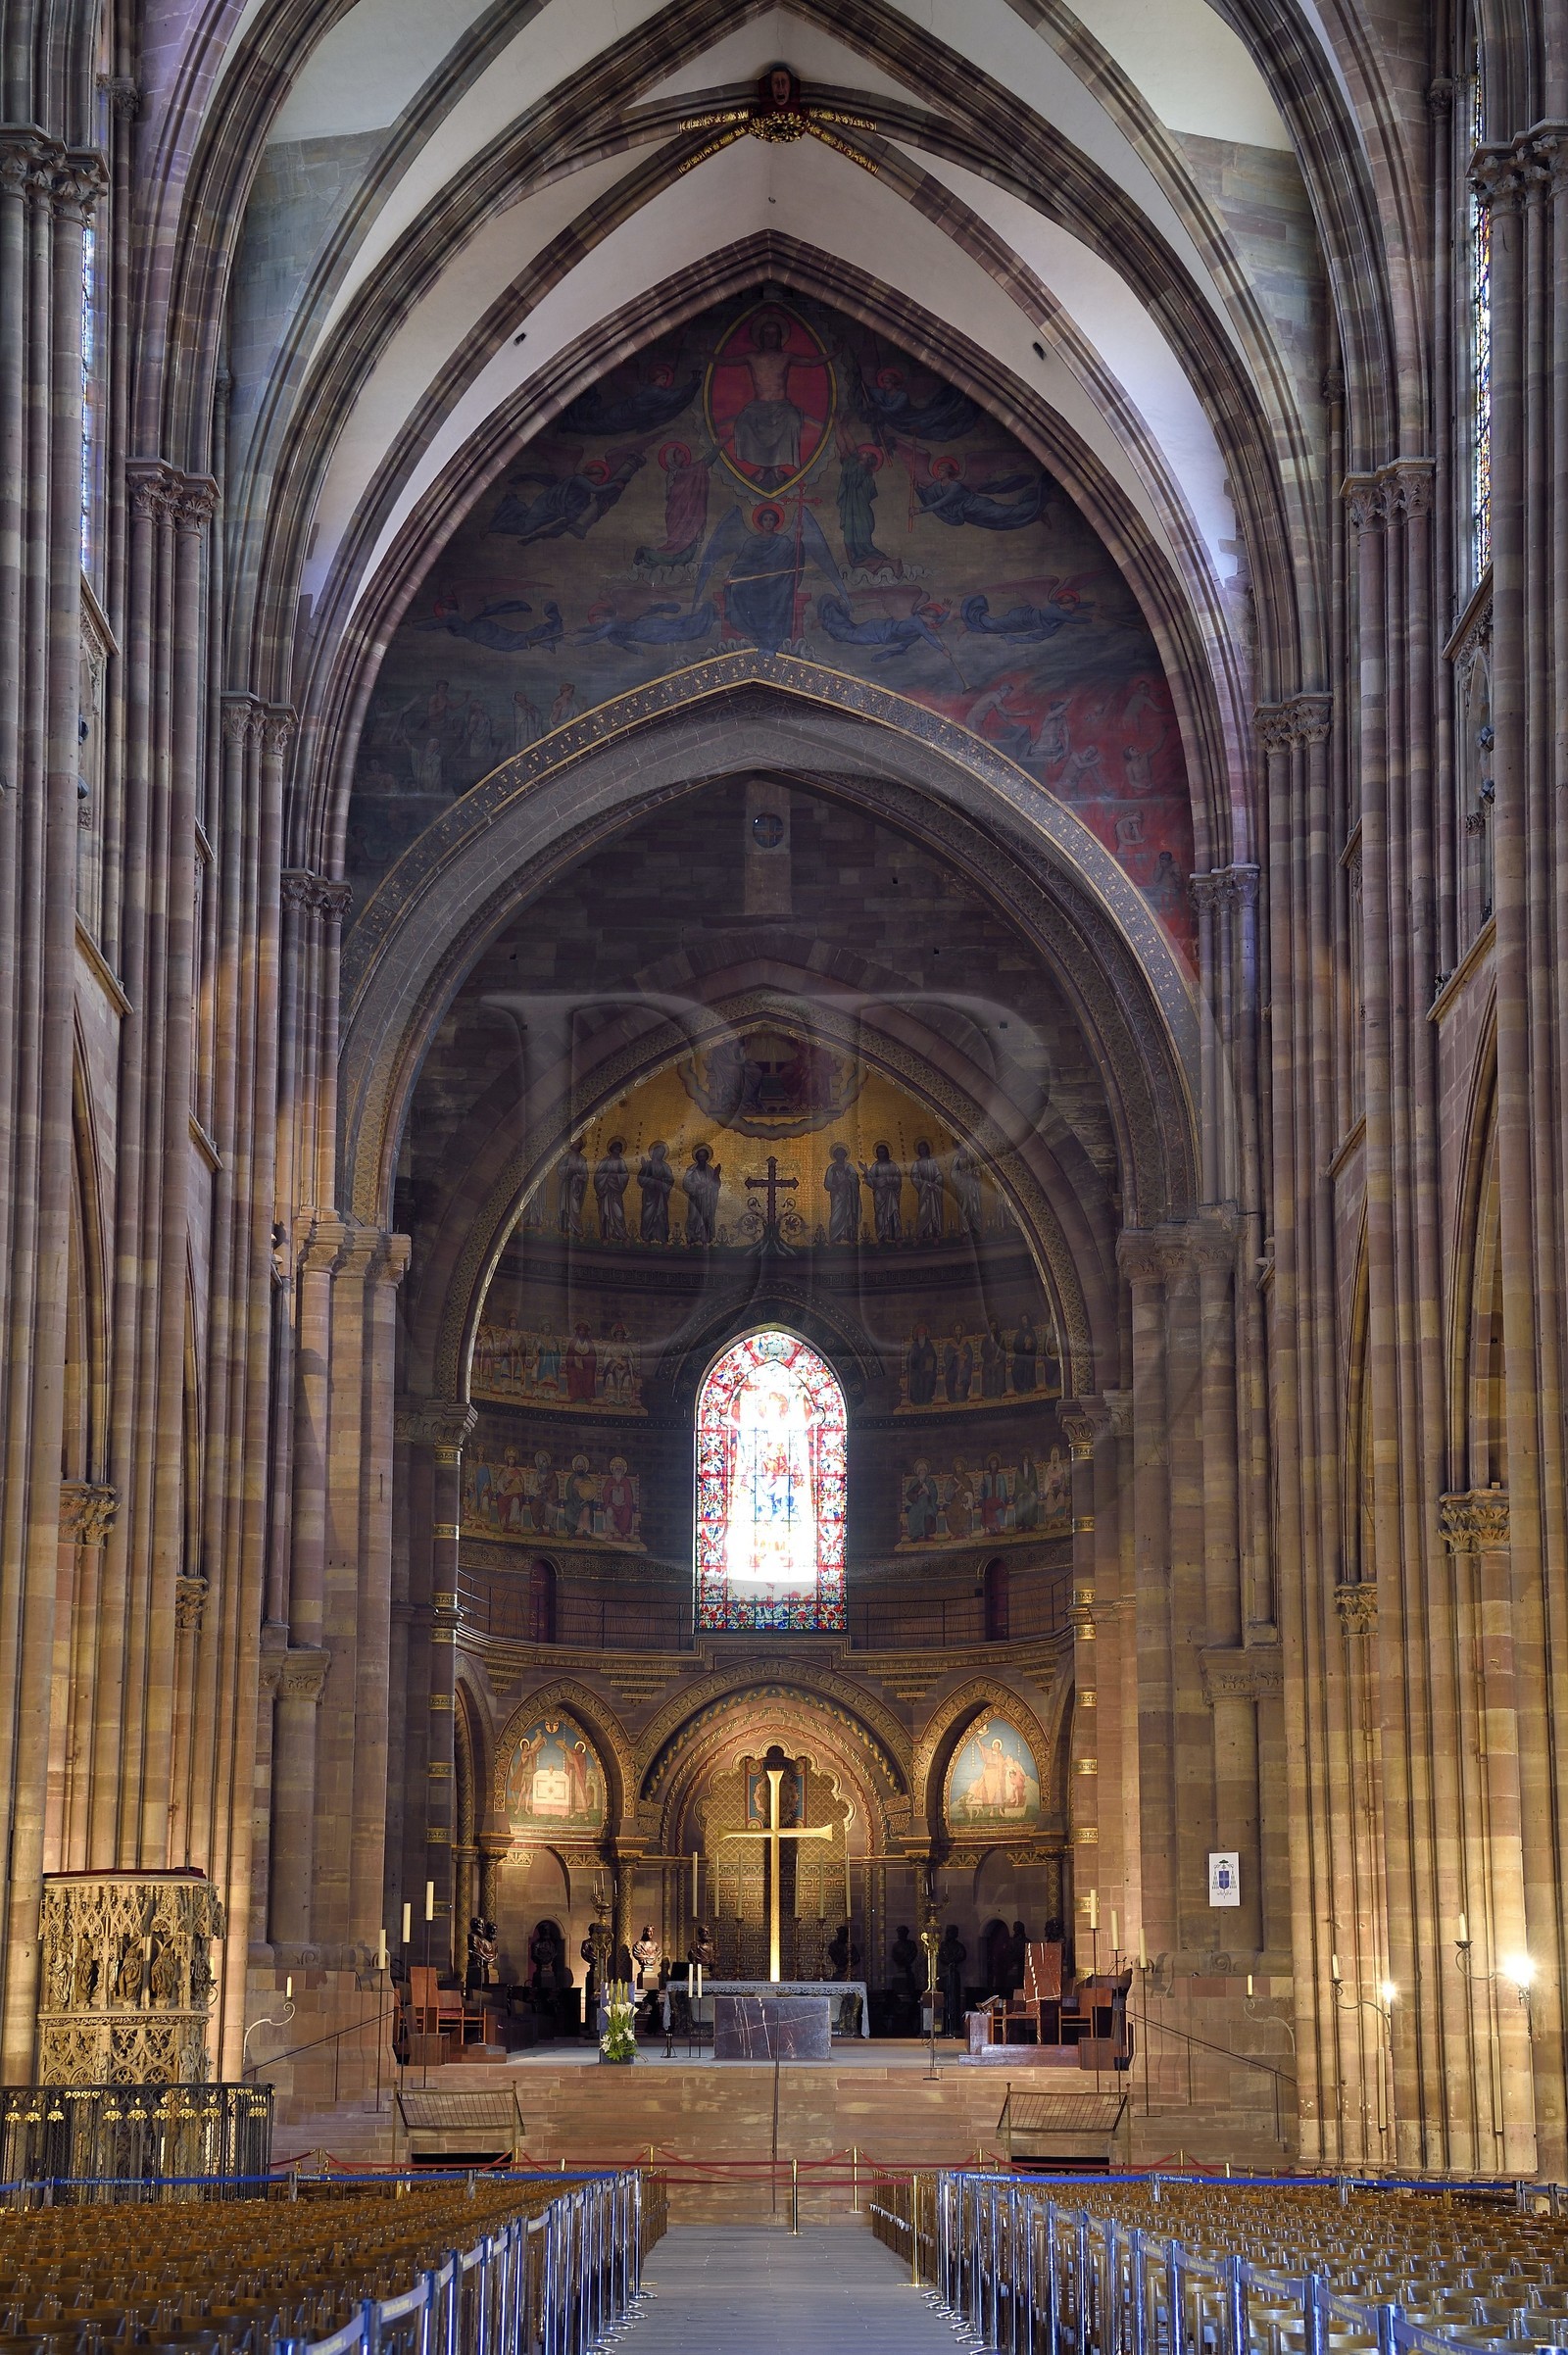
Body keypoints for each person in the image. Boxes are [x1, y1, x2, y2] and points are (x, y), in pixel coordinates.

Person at [859, 1141, 904, 1243]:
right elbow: (871, 1181)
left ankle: (896, 1237)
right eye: (879, 1152)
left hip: (890, 1193)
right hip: (879, 1195)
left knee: (894, 1213)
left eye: (883, 1152)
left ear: (887, 1152)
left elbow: (898, 1179)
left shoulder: (892, 1165)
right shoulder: (876, 1166)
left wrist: (888, 1180)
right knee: (880, 1214)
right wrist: (866, 1171)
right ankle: (881, 1238)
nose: (881, 1154)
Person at [682, 1144, 721, 1245]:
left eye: (704, 1156)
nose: (702, 1158)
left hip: (706, 1199)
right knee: (693, 1217)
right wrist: (696, 1187)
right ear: (697, 1157)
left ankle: (704, 1241)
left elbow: (716, 1186)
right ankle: (690, 1240)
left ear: (707, 1157)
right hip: (694, 1199)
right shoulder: (692, 1170)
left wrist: (716, 1176)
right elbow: (686, 1183)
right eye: (700, 1156)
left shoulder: (710, 1170)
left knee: (705, 1218)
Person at [822, 1142, 861, 1243]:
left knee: (848, 1217)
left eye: (842, 1154)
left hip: (848, 1196)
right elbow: (827, 1183)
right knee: (836, 1216)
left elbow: (855, 1178)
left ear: (845, 1155)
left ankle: (850, 1239)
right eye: (838, 1154)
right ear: (835, 1156)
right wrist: (836, 1185)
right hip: (837, 1196)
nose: (840, 1156)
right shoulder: (832, 1168)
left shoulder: (849, 1167)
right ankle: (834, 1238)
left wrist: (849, 1180)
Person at [594, 1139, 630, 1241]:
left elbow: (625, 1175)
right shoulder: (605, 1161)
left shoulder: (621, 1162)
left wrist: (616, 1177)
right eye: (615, 1149)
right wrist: (606, 1177)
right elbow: (598, 1175)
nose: (617, 1151)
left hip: (616, 1191)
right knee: (605, 1213)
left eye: (619, 1149)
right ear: (612, 1149)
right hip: (605, 1191)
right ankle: (605, 1236)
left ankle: (620, 1235)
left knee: (618, 1214)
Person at [637, 1141, 673, 1242]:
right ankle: (647, 1238)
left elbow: (670, 1180)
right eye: (657, 1152)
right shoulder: (647, 1165)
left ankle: (663, 1238)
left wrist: (660, 1182)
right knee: (647, 1216)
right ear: (653, 1153)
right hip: (649, 1196)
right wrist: (645, 1169)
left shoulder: (665, 1166)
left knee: (661, 1215)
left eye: (661, 1153)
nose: (659, 1154)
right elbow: (641, 1180)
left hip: (661, 1195)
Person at [910, 1139, 946, 1241]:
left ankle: (935, 1233)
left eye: (924, 1149)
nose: (923, 1151)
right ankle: (924, 1233)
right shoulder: (917, 1163)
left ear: (927, 1149)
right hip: (924, 1190)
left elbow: (938, 1174)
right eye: (921, 1149)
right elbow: (914, 1176)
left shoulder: (933, 1161)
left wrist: (936, 1182)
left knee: (934, 1210)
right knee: (924, 1211)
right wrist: (924, 1184)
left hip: (934, 1190)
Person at [938, 1927, 966, 2036]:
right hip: (945, 1974)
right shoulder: (943, 1946)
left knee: (954, 2000)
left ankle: (954, 2028)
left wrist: (953, 1960)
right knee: (945, 2000)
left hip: (954, 1974)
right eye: (950, 1932)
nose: (953, 1934)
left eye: (955, 1932)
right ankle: (944, 2027)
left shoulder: (959, 1947)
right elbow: (942, 1957)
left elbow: (962, 1955)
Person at [557, 1140, 588, 1237]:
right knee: (564, 1206)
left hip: (576, 1187)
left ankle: (576, 1229)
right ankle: (565, 1229)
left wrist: (579, 1176)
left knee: (575, 1208)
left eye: (579, 1143)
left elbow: (585, 1175)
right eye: (575, 1143)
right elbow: (559, 1169)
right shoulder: (567, 1155)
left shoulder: (582, 1158)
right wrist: (568, 1169)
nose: (577, 1145)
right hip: (566, 1184)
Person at [906, 1321, 938, 1406]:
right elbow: (909, 1360)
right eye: (920, 1335)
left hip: (927, 1370)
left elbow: (932, 1357)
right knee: (915, 1379)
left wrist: (927, 1369)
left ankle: (926, 1399)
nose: (921, 1336)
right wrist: (914, 1365)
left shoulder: (928, 1345)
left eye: (923, 1334)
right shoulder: (914, 1346)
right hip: (916, 1370)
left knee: (928, 1379)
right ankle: (916, 1400)